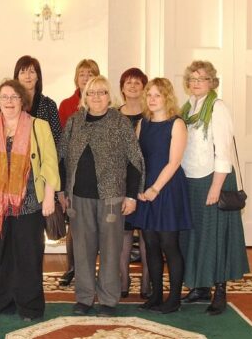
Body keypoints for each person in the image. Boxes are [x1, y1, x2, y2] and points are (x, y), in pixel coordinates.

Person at [0, 79, 59, 321]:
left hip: (28, 203)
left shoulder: (39, 126)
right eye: (4, 97)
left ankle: (30, 305)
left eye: (13, 97)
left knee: (28, 255)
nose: (8, 101)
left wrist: (49, 197)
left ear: (22, 101)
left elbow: (50, 163)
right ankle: (4, 300)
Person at [59, 75, 144, 317]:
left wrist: (131, 196)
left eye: (102, 92)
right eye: (91, 92)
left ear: (109, 96)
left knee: (110, 249)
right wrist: (62, 191)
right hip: (78, 197)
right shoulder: (75, 122)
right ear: (84, 96)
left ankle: (108, 299)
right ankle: (84, 298)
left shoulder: (119, 122)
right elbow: (62, 157)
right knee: (83, 249)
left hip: (112, 197)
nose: (96, 97)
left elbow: (135, 160)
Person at [179, 60, 249, 315]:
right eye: (193, 79)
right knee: (194, 235)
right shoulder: (188, 108)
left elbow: (223, 152)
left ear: (212, 82)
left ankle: (220, 290)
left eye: (202, 78)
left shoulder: (218, 109)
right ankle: (199, 287)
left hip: (213, 179)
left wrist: (216, 187)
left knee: (214, 236)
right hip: (191, 179)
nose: (196, 83)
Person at [127, 78, 191, 314]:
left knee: (169, 245)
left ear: (167, 98)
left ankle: (174, 299)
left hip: (167, 189)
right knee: (150, 244)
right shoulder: (143, 123)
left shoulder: (177, 124)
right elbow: (137, 159)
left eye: (157, 95)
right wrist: (139, 189)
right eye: (150, 95)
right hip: (146, 191)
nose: (152, 99)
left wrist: (155, 189)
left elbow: (174, 162)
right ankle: (155, 296)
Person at [56, 59, 100, 287]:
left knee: (97, 225)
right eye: (82, 73)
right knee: (74, 224)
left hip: (97, 176)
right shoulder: (66, 105)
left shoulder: (105, 105)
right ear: (76, 78)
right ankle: (72, 268)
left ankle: (93, 270)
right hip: (73, 172)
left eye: (90, 73)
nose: (85, 77)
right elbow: (63, 144)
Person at [118, 68, 151, 299]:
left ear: (144, 87)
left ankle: (147, 282)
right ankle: (123, 280)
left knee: (147, 234)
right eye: (128, 82)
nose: (132, 86)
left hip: (148, 180)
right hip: (121, 182)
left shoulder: (152, 115)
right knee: (124, 233)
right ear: (122, 88)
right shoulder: (114, 115)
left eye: (137, 82)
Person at [13, 55, 61, 145]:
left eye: (32, 72)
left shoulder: (49, 105)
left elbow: (57, 139)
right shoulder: (11, 104)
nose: (27, 76)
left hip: (43, 156)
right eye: (22, 72)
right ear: (17, 78)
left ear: (37, 77)